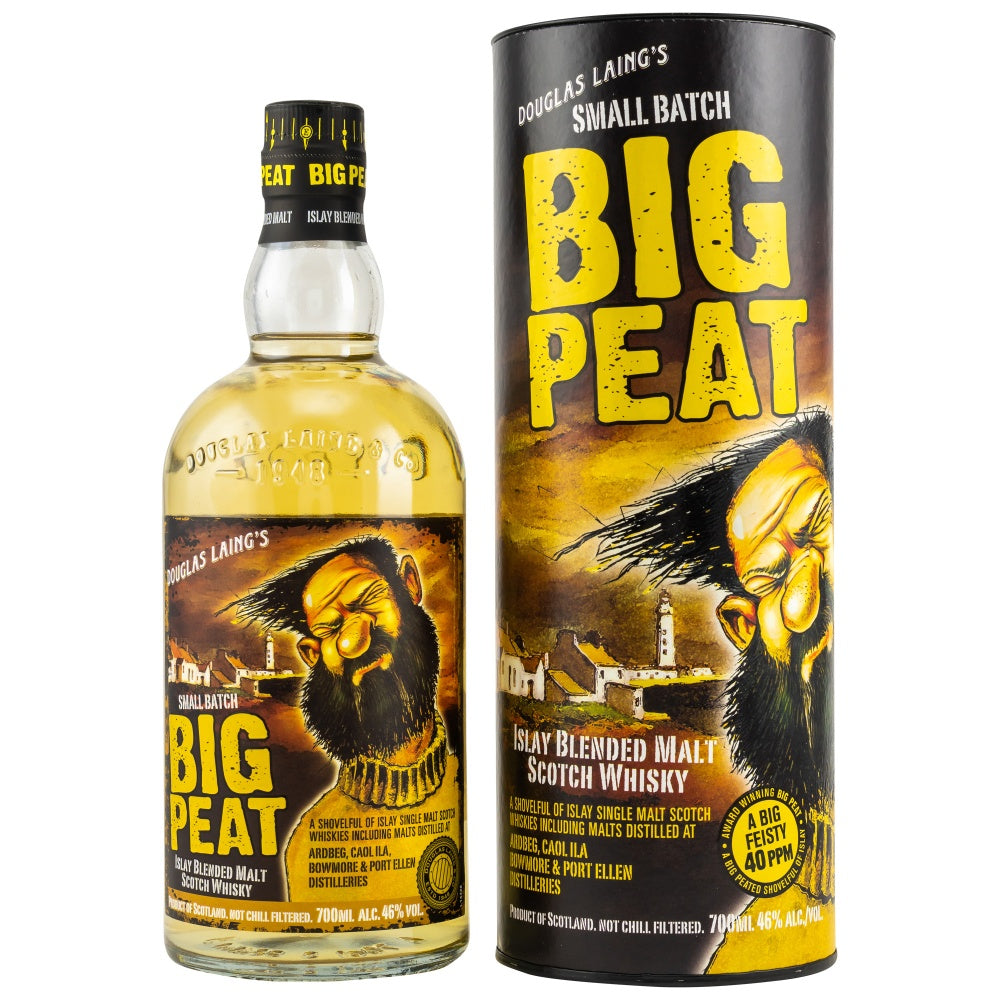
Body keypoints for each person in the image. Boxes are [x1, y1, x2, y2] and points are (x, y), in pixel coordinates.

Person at [560, 409, 834, 971]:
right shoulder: (748, 948)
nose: (805, 603)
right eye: (770, 579)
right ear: (743, 625)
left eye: (818, 523)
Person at [225, 535, 462, 921]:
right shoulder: (308, 844)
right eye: (330, 629)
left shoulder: (462, 788)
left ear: (409, 585)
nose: (353, 642)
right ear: (312, 654)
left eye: (367, 601)